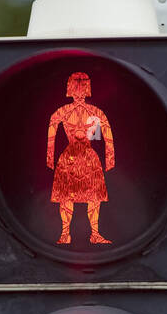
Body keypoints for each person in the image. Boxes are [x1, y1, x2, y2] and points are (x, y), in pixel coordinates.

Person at [46, 71, 116, 245]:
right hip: (68, 159)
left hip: (88, 158)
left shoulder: (94, 112)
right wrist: (49, 158)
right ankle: (65, 233)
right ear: (70, 87)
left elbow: (106, 136)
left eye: (82, 85)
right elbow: (51, 135)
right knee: (66, 198)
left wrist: (110, 159)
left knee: (93, 198)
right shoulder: (62, 112)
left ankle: (95, 233)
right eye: (76, 85)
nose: (79, 90)